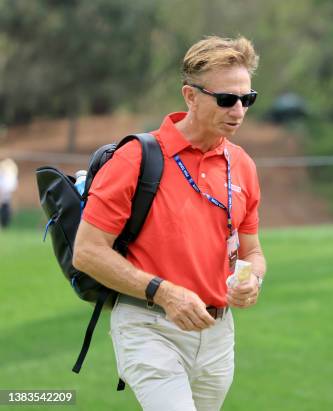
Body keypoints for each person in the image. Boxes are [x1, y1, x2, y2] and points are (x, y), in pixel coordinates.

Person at [73, 36, 266, 411]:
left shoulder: (243, 164)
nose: (239, 110)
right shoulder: (136, 158)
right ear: (190, 96)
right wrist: (164, 292)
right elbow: (87, 251)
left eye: (247, 99)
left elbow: (253, 251)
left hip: (217, 332)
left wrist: (253, 278)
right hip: (149, 325)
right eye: (226, 99)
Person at [0, 158, 18, 228]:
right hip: (3, 199)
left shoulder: (11, 178)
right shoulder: (2, 177)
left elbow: (13, 191)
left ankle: (4, 226)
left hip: (7, 200)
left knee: (6, 215)